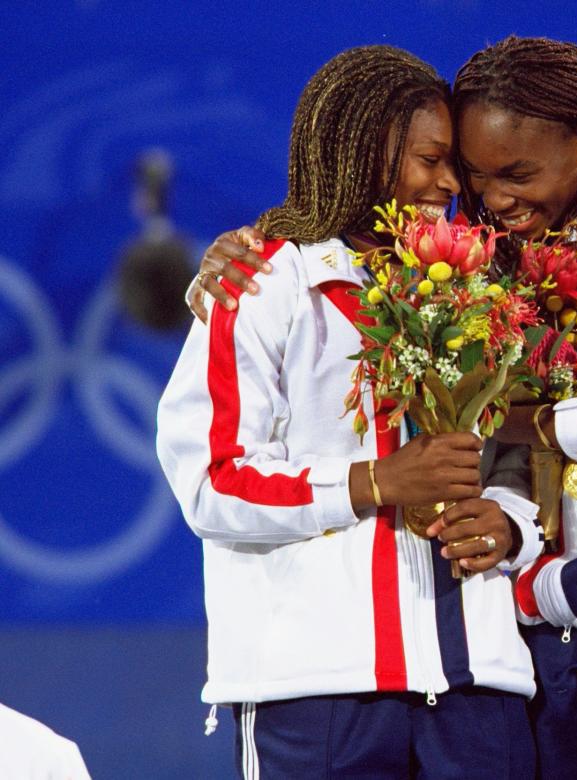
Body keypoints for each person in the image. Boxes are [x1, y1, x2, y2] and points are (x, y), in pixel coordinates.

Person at [194, 36, 577, 780]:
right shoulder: (465, 263)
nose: (486, 197)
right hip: (550, 619)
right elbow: (489, 451)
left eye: (513, 173)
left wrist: (535, 434)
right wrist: (508, 525)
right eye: (474, 176)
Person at [157, 45, 540, 779]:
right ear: (364, 152)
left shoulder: (484, 292)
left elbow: (523, 453)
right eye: (430, 160)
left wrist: (509, 523)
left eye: (453, 164)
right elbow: (213, 478)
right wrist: (373, 483)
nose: (450, 184)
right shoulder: (262, 283)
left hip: (481, 688)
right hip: (316, 691)